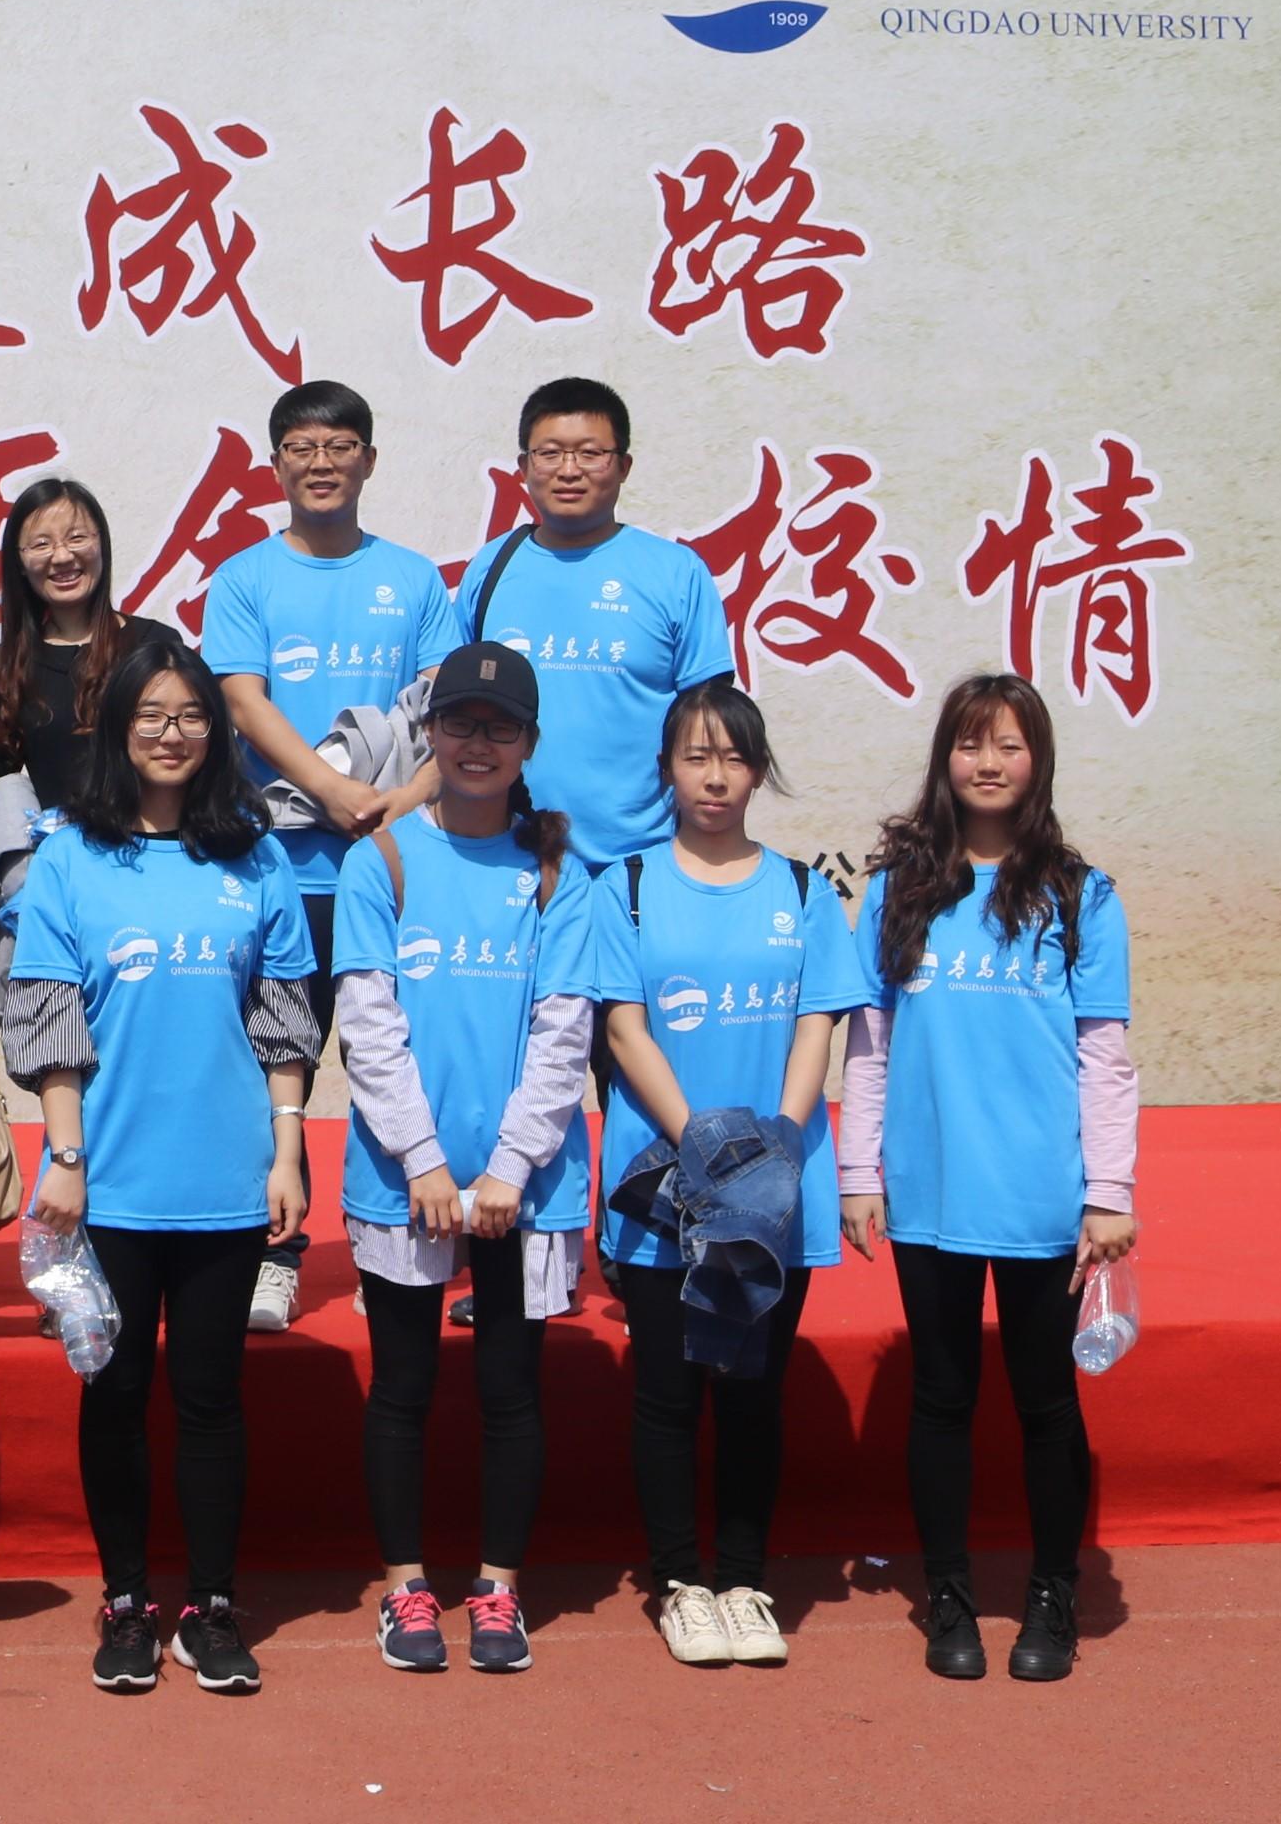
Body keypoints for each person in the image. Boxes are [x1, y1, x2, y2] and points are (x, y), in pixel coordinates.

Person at [5, 642, 317, 1695]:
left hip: (227, 1178)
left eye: (189, 714)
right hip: (110, 1182)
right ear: (117, 729)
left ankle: (211, 1605)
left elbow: (283, 1022)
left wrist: (287, 1151)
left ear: (213, 733)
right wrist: (66, 1156)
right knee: (117, 1389)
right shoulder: (70, 857)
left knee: (211, 1396)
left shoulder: (255, 856)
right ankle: (129, 1600)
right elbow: (49, 1020)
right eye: (151, 714)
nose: (171, 732)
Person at [840, 672, 1137, 1686]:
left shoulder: (1079, 894)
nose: (989, 762)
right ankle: (949, 1597)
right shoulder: (898, 888)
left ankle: (1052, 1594)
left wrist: (1110, 1190)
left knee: (1045, 1400)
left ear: (1037, 760)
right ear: (945, 758)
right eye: (971, 743)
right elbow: (870, 1042)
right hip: (927, 1190)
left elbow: (1104, 1055)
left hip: (1039, 1192)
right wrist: (858, 1170)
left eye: (1010, 744)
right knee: (940, 1395)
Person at [328, 640, 602, 1679]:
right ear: (429, 734)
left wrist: (509, 1168)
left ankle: (497, 1588)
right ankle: (406, 1587)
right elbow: (367, 1024)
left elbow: (562, 1033)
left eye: (499, 728)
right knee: (401, 1385)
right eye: (458, 723)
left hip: (522, 1185)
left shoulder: (556, 872)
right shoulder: (381, 859)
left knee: (509, 1390)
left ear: (528, 743)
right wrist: (426, 1161)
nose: (476, 744)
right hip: (407, 1178)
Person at [588, 682, 864, 1669]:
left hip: (773, 1193)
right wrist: (705, 1151)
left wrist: (771, 1155)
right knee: (667, 1394)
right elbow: (624, 1029)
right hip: (663, 1184)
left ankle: (744, 1580)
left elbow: (815, 1025)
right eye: (694, 756)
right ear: (666, 767)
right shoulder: (622, 886)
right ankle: (679, 1583)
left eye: (733, 757)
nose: (714, 776)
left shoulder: (801, 891)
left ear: (758, 770)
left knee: (750, 1391)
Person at [204, 381, 461, 1331]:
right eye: (302, 447)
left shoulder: (414, 579)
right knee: (275, 1060)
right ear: (275, 464)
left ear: (368, 460)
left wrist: (400, 803)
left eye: (339, 445)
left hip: (389, 867)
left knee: (395, 1057)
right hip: (281, 868)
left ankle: (397, 1245)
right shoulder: (244, 578)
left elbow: (444, 713)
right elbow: (242, 702)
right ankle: (271, 1250)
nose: (321, 463)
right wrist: (333, 791)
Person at [452, 378, 730, 863]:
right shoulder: (492, 566)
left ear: (623, 466)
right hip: (505, 853)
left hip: (638, 861)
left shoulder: (675, 572)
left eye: (590, 454)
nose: (569, 471)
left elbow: (708, 721)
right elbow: (452, 704)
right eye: (550, 453)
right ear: (524, 467)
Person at [0, 477, 154, 821]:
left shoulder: (154, 646)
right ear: (19, 562)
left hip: (152, 846)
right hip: (58, 851)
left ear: (101, 543)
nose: (61, 557)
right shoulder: (7, 665)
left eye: (76, 538)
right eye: (41, 544)